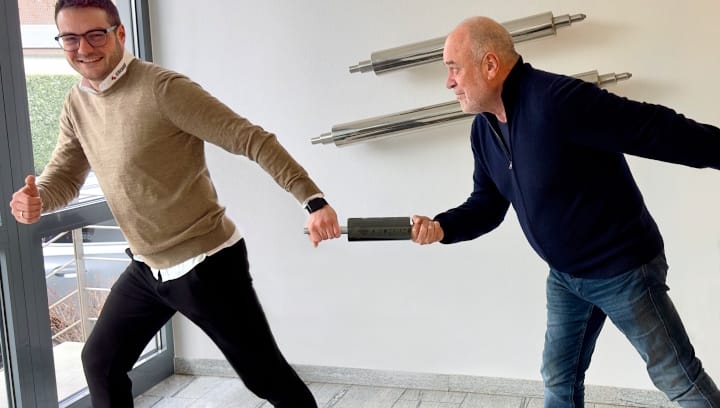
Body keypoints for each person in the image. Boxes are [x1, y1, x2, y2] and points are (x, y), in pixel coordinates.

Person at [8, 1, 342, 406]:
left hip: (206, 264)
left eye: (95, 34)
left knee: (265, 376)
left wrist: (313, 200)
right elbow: (64, 176)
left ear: (120, 33)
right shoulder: (76, 103)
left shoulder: (163, 89)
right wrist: (38, 198)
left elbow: (251, 139)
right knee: (100, 362)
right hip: (147, 268)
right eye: (70, 39)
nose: (84, 48)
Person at [410, 16, 720, 408]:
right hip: (566, 277)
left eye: (454, 68)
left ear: (489, 64)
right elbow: (487, 204)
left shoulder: (556, 101)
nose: (449, 82)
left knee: (679, 379)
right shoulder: (484, 130)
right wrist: (442, 227)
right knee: (559, 378)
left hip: (623, 271)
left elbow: (653, 128)